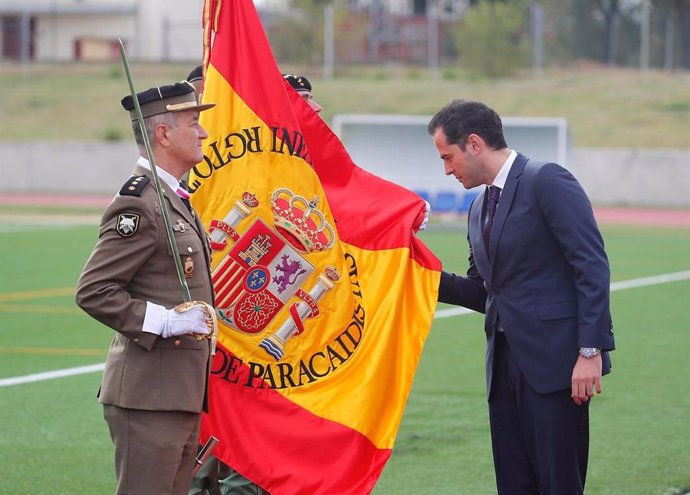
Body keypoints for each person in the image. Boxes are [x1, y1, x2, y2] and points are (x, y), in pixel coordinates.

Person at [427, 99, 615, 494]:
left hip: (557, 366)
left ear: (475, 143)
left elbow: (592, 267)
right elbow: (485, 292)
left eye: (448, 157)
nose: (446, 170)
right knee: (514, 486)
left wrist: (590, 351)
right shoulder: (478, 207)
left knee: (559, 485)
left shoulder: (546, 179)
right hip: (503, 369)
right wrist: (420, 276)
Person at [75, 81, 217, 495]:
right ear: (164, 134)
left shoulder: (173, 197)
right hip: (148, 398)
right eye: (194, 122)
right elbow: (94, 289)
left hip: (178, 394)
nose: (204, 132)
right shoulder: (139, 202)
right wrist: (166, 322)